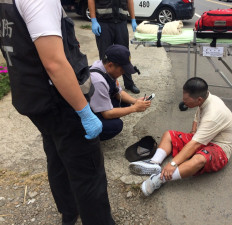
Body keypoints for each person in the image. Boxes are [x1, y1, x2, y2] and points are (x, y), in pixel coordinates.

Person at [0, 1, 115, 224]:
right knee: (88, 171)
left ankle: (69, 213)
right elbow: (54, 63)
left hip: (34, 98)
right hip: (61, 103)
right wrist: (84, 111)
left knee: (57, 157)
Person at [129, 77, 232, 196]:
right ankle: (154, 163)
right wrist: (193, 132)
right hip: (203, 138)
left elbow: (195, 144)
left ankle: (160, 178)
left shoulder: (213, 114)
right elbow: (197, 118)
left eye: (186, 100)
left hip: (219, 147)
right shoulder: (206, 99)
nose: (183, 101)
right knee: (169, 135)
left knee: (198, 160)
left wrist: (173, 164)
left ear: (199, 99)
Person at [89, 44, 151, 140]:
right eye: (122, 70)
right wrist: (134, 108)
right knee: (116, 125)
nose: (123, 73)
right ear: (110, 65)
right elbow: (107, 113)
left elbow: (118, 92)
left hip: (93, 105)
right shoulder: (98, 80)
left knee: (126, 103)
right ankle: (85, 138)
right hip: (79, 118)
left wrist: (135, 101)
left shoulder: (105, 68)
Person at [88, 0, 141, 94]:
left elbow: (129, 1)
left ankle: (129, 84)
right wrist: (93, 20)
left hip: (121, 22)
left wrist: (133, 19)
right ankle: (106, 84)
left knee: (124, 54)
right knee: (105, 56)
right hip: (103, 23)